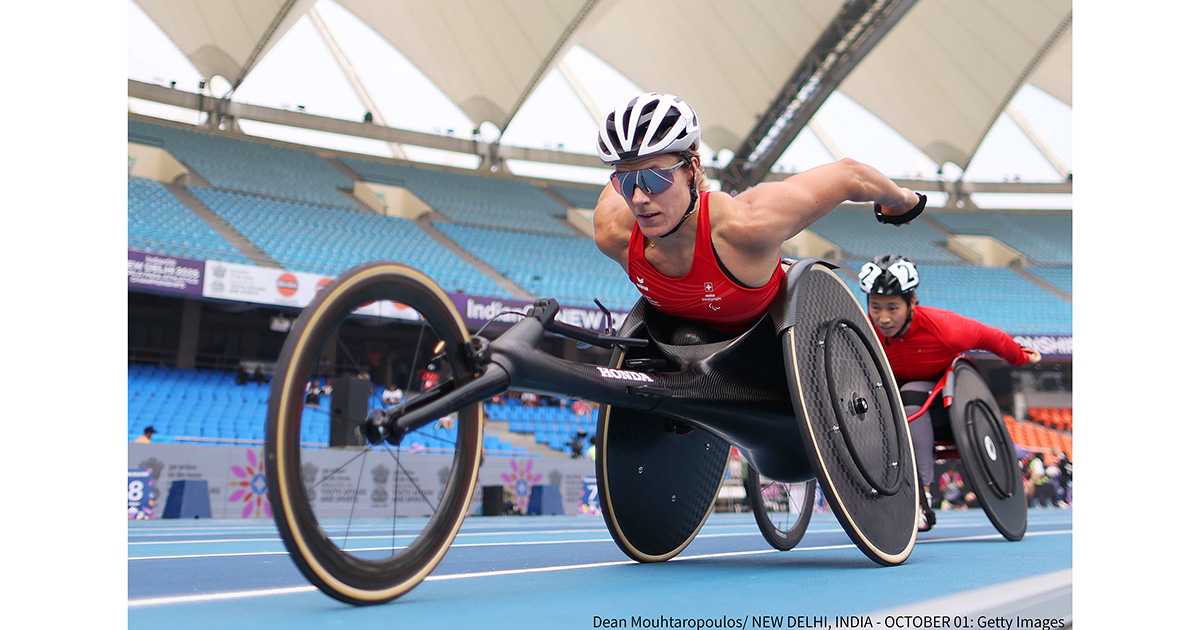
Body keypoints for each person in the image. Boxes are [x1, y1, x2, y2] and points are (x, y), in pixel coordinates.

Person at [593, 92, 926, 335]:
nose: (638, 198)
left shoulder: (749, 225)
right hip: (681, 350)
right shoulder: (613, 232)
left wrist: (902, 200)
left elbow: (849, 175)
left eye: (654, 177)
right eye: (625, 181)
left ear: (692, 169)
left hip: (772, 339)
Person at [857, 254, 1041, 531]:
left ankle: (923, 498)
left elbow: (992, 338)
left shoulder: (945, 327)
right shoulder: (862, 327)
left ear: (912, 302)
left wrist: (1020, 357)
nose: (883, 318)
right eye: (876, 307)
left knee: (911, 395)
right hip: (887, 390)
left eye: (893, 308)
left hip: (938, 395)